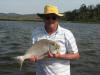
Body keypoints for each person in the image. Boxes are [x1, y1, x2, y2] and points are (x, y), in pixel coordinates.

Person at [28, 5, 79, 75]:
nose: (50, 20)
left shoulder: (67, 34)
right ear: (43, 19)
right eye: (47, 17)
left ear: (58, 19)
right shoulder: (35, 33)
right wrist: (31, 58)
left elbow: (76, 56)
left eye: (54, 18)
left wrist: (58, 56)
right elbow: (31, 53)